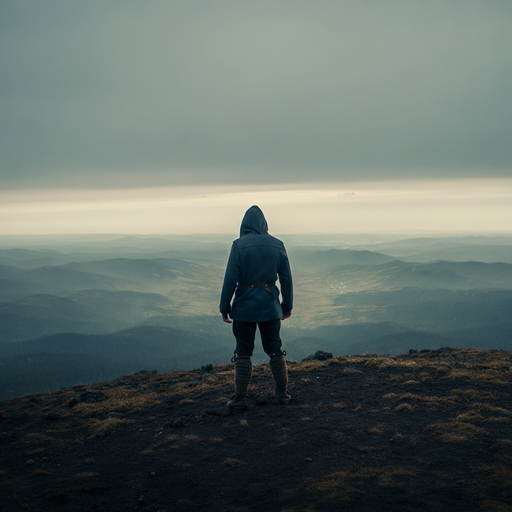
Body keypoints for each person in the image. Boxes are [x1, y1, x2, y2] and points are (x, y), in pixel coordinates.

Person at [219, 205, 293, 410]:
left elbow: (229, 280)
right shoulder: (278, 245)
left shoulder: (239, 245)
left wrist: (224, 307)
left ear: (245, 225)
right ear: (264, 224)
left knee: (243, 351)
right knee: (275, 349)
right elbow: (286, 280)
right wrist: (286, 306)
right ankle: (282, 395)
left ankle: (240, 398)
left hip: (244, 307)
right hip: (270, 306)